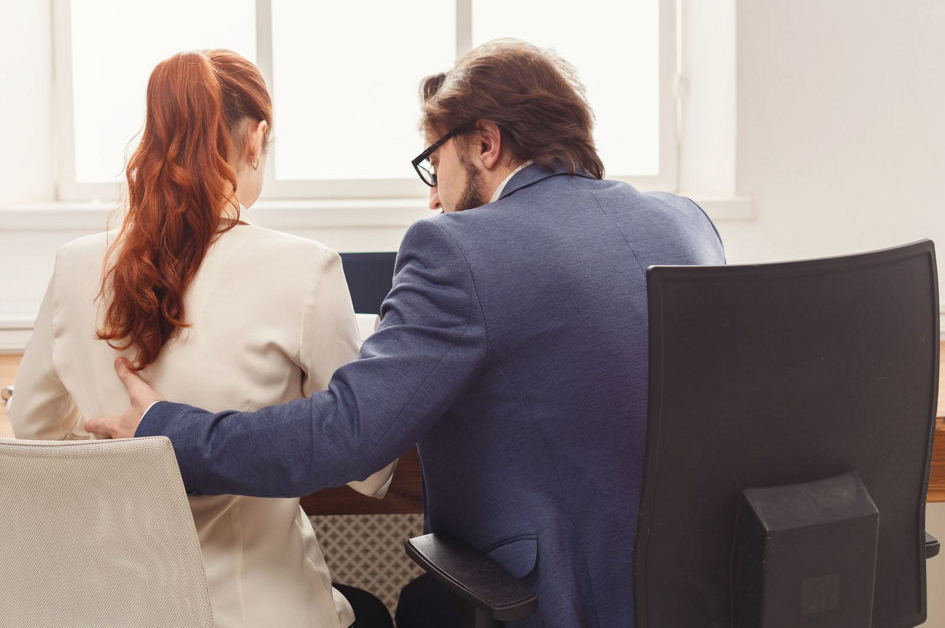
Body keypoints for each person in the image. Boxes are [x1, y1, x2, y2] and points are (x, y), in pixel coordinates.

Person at [86, 39, 727, 628]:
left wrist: (171, 431)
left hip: (549, 601)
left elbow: (350, 437)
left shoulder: (461, 248)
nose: (433, 199)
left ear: (484, 144)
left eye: (434, 163)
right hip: (693, 593)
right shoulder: (686, 224)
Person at [9, 49, 396, 628]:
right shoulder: (307, 270)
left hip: (117, 609)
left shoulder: (75, 265)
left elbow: (31, 429)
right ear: (256, 139)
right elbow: (370, 473)